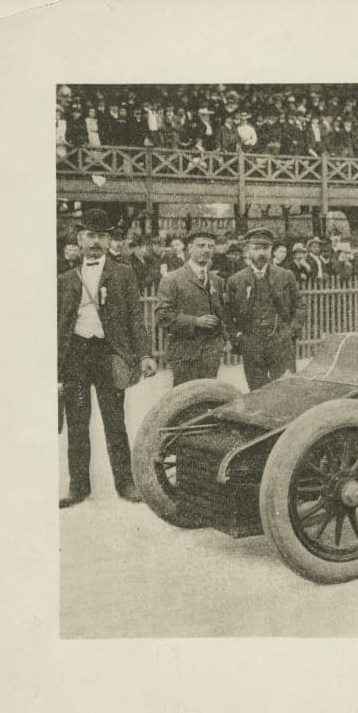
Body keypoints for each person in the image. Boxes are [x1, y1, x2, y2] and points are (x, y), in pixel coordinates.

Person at [57, 213, 156, 508]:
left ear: (110, 240)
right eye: (90, 235)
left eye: (102, 236)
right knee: (77, 423)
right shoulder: (65, 279)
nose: (96, 241)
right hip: (75, 355)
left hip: (108, 355)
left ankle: (125, 483)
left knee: (115, 422)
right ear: (79, 240)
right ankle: (78, 486)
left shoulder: (123, 273)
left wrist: (145, 355)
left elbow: (135, 319)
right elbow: (58, 325)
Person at [226, 228, 307, 391]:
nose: (261, 253)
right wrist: (239, 338)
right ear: (247, 250)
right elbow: (227, 315)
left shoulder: (286, 276)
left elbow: (300, 306)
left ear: (271, 250)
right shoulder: (236, 281)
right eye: (256, 248)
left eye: (265, 248)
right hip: (252, 344)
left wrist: (291, 331)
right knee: (258, 393)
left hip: (281, 342)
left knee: (286, 390)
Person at [154, 230, 228, 387]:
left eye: (210, 246)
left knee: (207, 398)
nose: (206, 250)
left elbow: (222, 314)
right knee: (186, 402)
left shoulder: (217, 281)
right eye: (201, 245)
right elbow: (162, 315)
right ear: (189, 248)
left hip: (210, 355)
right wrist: (195, 321)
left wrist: (221, 342)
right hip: (184, 354)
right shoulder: (172, 279)